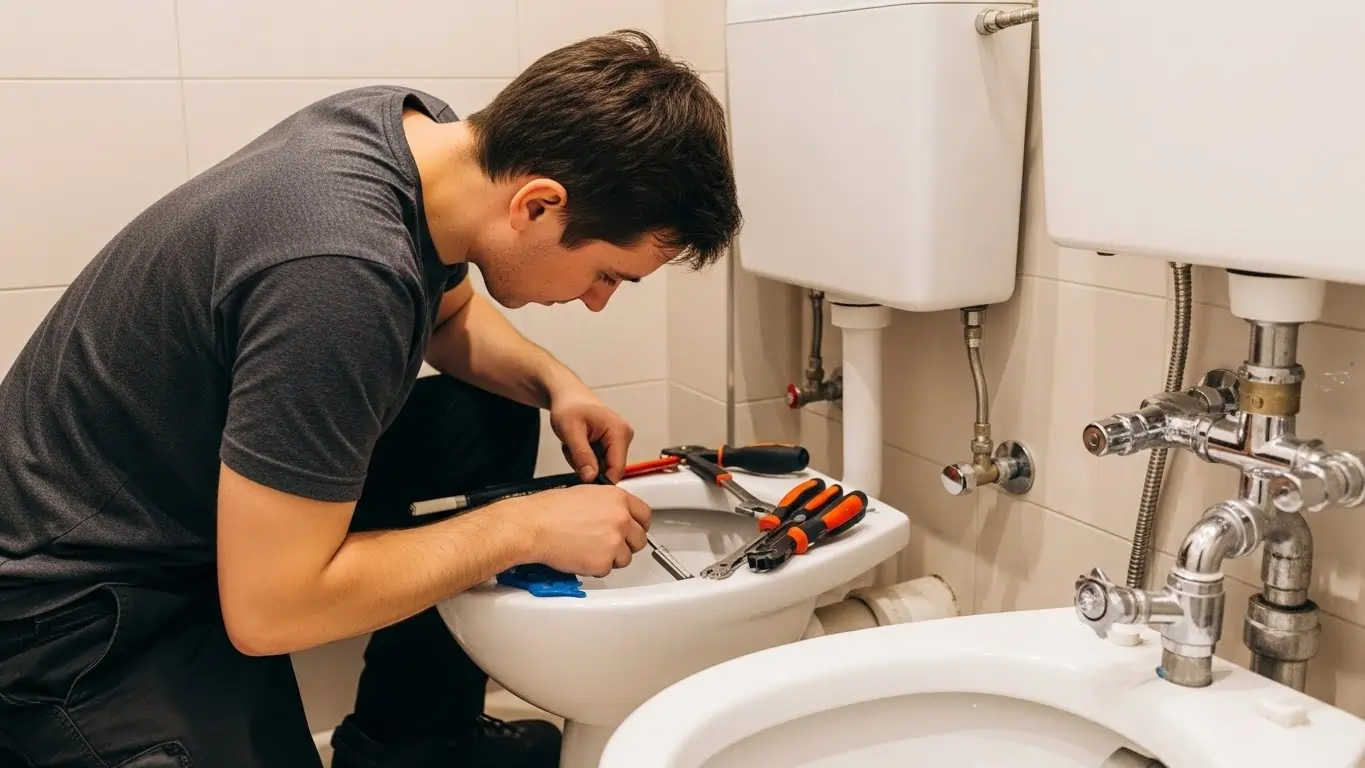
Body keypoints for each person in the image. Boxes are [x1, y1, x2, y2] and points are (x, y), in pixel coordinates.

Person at [0, 28, 740, 768]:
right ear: (538, 206)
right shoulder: (341, 274)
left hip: (188, 504)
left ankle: (412, 743)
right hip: (73, 609)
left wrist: (558, 384)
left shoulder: (409, 138)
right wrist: (522, 527)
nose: (597, 302)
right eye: (607, 274)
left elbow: (448, 315)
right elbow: (269, 612)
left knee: (481, 417)